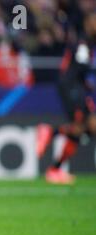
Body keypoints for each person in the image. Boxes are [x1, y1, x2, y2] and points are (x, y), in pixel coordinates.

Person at [37, 12, 96, 184]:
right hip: (72, 88)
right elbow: (79, 67)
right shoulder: (83, 43)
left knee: (85, 130)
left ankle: (55, 169)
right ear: (88, 23)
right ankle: (49, 131)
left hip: (76, 87)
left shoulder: (87, 43)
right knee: (82, 127)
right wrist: (87, 81)